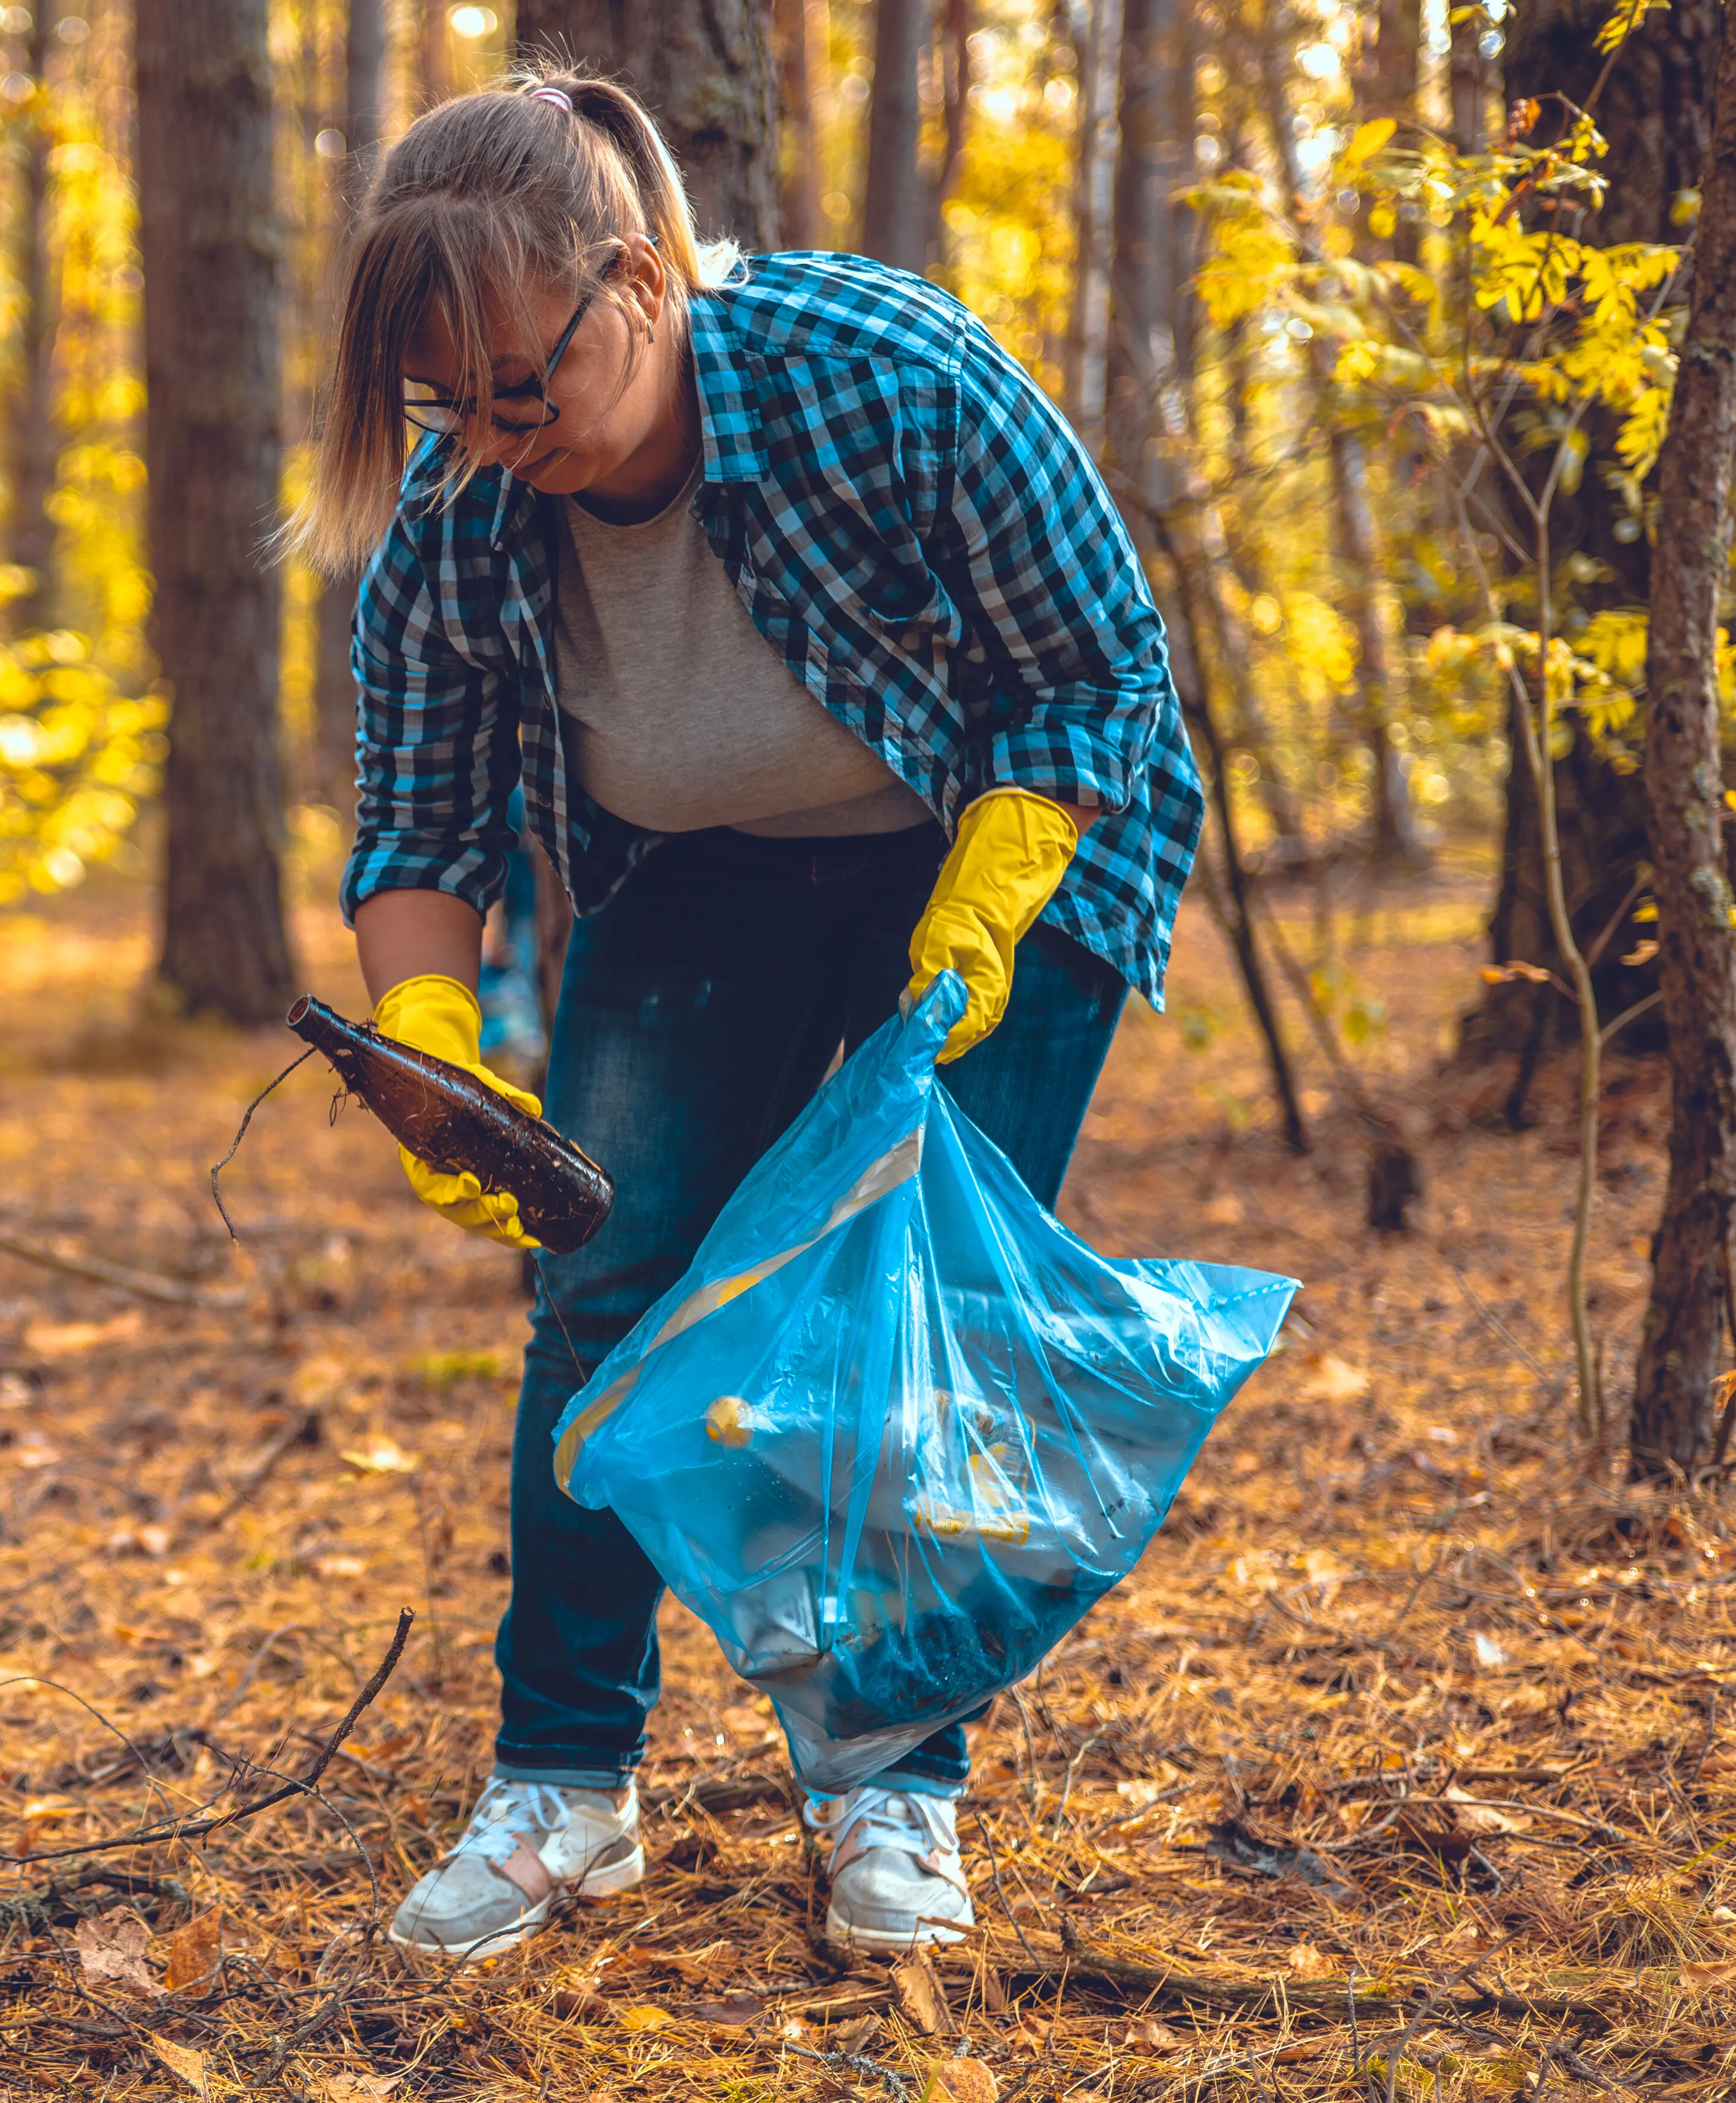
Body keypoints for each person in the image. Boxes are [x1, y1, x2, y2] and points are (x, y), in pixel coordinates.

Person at [296, 69, 1203, 1963]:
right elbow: (419, 815)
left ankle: (893, 1782)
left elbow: (1095, 664)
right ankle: (563, 1781)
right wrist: (438, 1041)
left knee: (914, 1301)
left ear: (633, 281)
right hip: (688, 874)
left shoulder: (879, 371)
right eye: (440, 405)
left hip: (989, 855)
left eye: (518, 389)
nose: (485, 437)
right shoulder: (461, 516)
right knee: (603, 1287)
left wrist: (996, 875)